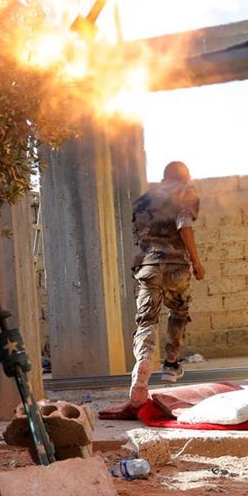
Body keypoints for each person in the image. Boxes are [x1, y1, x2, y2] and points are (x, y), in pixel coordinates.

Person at [102, 161, 205, 419]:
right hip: (176, 266)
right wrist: (196, 261)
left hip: (148, 267)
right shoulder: (186, 191)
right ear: (184, 176)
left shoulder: (142, 201)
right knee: (178, 312)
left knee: (146, 321)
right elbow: (184, 225)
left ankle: (143, 364)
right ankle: (171, 364)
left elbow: (138, 236)